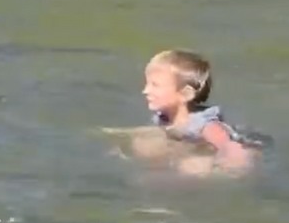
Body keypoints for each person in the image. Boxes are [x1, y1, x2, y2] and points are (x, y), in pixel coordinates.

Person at [108, 49, 258, 176]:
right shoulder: (164, 117)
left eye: (155, 85)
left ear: (185, 94)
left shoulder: (203, 123)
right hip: (190, 145)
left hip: (242, 149)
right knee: (143, 143)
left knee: (191, 166)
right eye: (147, 84)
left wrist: (233, 162)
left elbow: (227, 145)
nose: (146, 91)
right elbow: (157, 133)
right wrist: (121, 143)